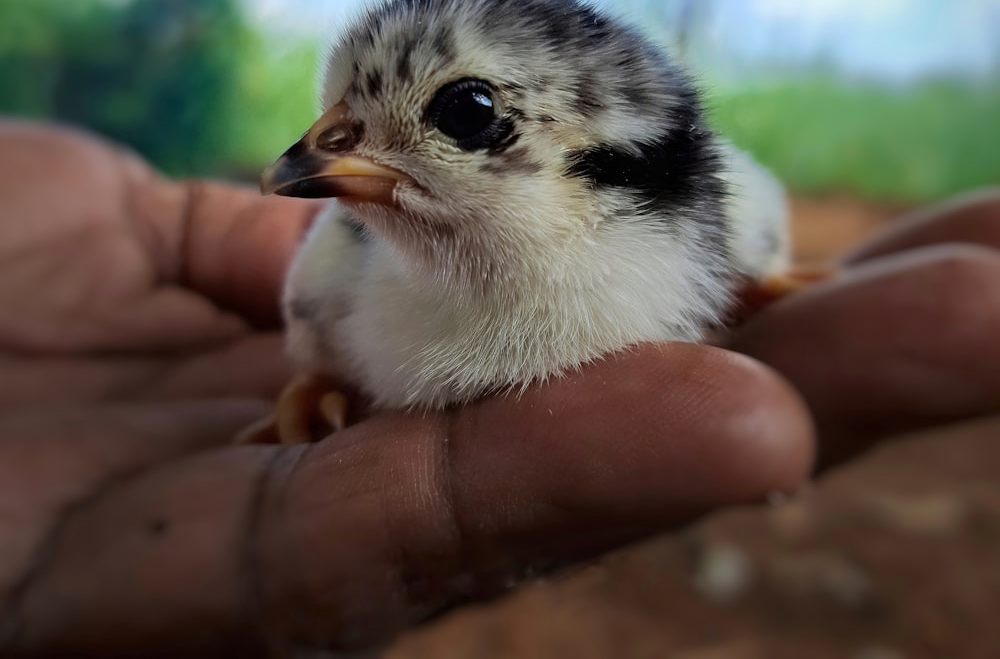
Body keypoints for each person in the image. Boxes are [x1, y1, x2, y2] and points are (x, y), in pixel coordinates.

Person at [0, 118, 997, 657]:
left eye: (460, 118)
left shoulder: (701, 208)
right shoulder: (343, 265)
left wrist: (752, 271)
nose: (330, 155)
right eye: (345, 117)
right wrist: (312, 374)